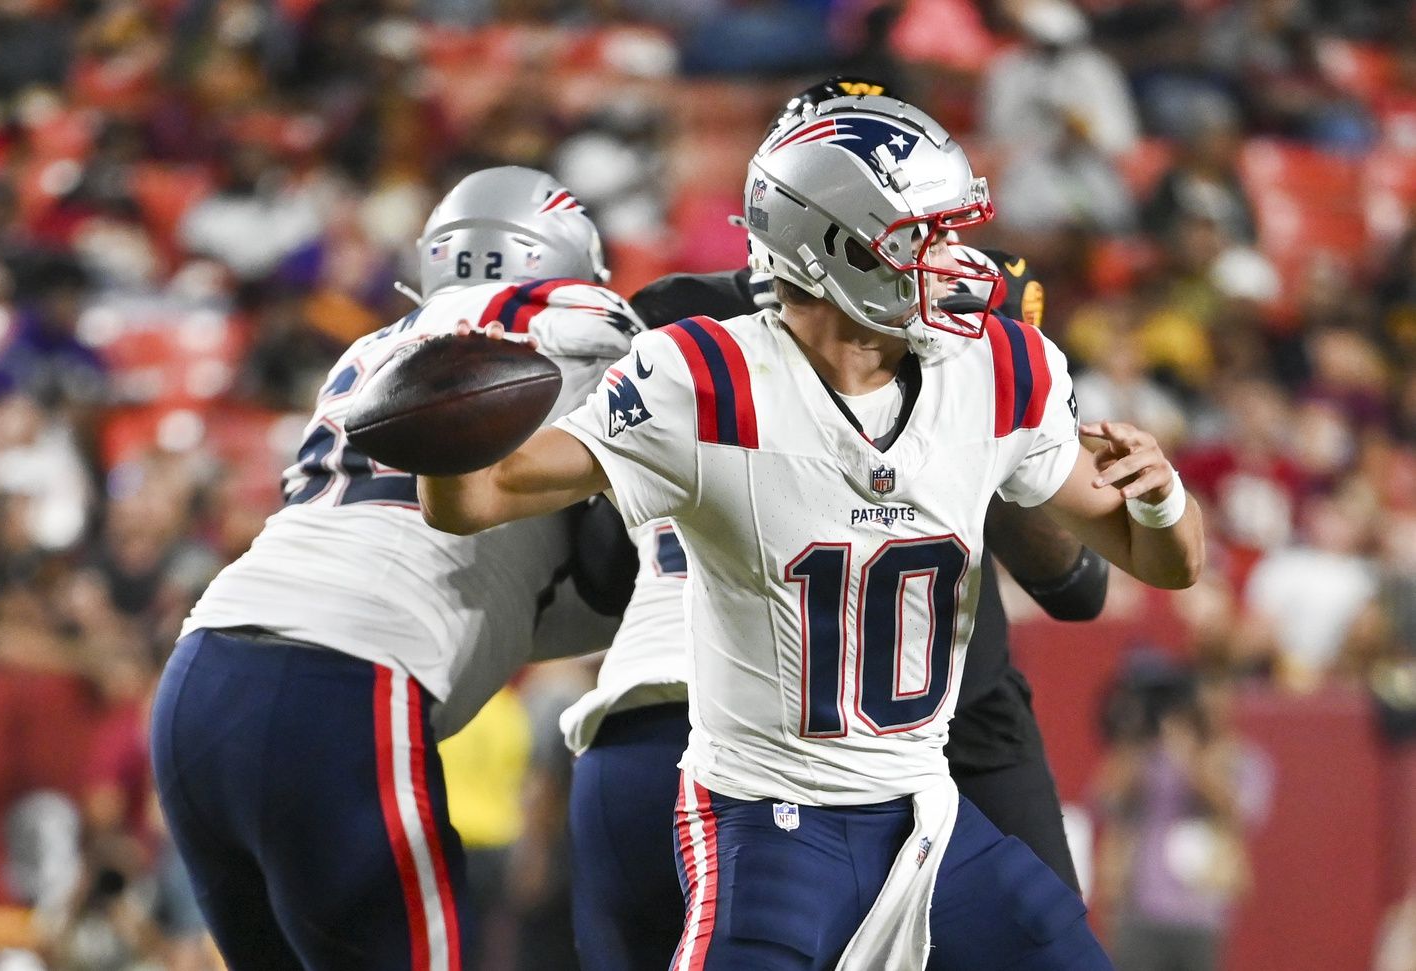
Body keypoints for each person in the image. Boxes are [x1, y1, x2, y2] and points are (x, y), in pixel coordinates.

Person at [419, 93, 1202, 970]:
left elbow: (1164, 564)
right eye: (924, 236)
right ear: (840, 247)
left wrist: (1163, 498)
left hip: (923, 811)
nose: (957, 260)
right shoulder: (706, 376)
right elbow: (479, 497)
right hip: (768, 822)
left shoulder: (993, 363)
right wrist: (440, 419)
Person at [562, 240, 1109, 971]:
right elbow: (1078, 585)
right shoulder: (962, 328)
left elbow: (596, 572)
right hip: (838, 744)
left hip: (652, 727)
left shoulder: (681, 327)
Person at [149, 166, 641, 971]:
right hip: (342, 681)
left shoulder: (369, 351)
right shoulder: (573, 319)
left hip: (203, 672)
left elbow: (497, 584)